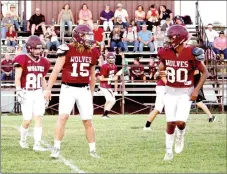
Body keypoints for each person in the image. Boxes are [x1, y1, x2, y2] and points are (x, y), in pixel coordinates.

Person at [43, 25, 100, 159]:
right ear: (78, 36)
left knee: (88, 121)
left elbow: (92, 75)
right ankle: (56, 148)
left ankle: (93, 150)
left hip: (84, 89)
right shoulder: (67, 49)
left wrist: (91, 93)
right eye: (86, 36)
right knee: (63, 117)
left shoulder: (93, 51)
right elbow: (56, 70)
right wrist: (48, 89)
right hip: (68, 88)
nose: (89, 39)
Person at [158, 25, 208, 161]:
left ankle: (180, 134)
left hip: (185, 91)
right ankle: (168, 152)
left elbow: (205, 72)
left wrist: (196, 90)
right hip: (170, 90)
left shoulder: (192, 52)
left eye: (171, 37)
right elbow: (162, 65)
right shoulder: (164, 51)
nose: (168, 40)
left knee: (180, 122)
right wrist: (161, 71)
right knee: (170, 122)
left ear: (179, 38)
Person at [13, 35, 50, 151]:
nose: (38, 51)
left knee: (38, 117)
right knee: (27, 120)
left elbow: (42, 78)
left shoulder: (44, 62)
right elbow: (17, 77)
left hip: (38, 92)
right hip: (26, 93)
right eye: (36, 48)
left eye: (39, 48)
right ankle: (22, 140)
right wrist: (18, 90)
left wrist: (46, 91)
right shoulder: (22, 59)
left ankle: (37, 144)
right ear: (29, 48)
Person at [99, 52, 118, 119]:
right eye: (109, 58)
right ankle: (105, 115)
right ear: (107, 59)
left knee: (108, 100)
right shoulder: (105, 66)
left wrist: (116, 90)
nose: (111, 59)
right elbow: (101, 78)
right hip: (104, 85)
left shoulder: (114, 66)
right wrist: (110, 78)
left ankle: (104, 115)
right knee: (112, 100)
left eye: (112, 58)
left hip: (108, 85)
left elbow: (115, 77)